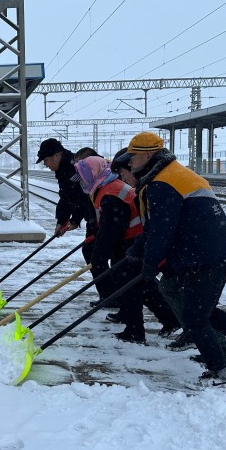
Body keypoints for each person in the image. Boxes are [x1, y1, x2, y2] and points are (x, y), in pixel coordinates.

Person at [117, 131, 226, 386]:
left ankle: (219, 372)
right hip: (208, 252)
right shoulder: (171, 174)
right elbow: (157, 227)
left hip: (205, 255)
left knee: (195, 316)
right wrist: (137, 252)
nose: (130, 162)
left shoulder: (163, 183)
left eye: (132, 157)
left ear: (147, 155)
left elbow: (162, 230)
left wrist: (148, 265)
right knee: (202, 312)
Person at [74, 156, 145, 343]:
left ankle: (136, 331)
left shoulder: (110, 192)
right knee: (132, 285)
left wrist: (99, 256)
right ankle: (136, 321)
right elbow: (107, 226)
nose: (81, 181)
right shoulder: (104, 187)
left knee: (131, 286)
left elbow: (112, 229)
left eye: (83, 176)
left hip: (133, 241)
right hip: (129, 240)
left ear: (93, 174)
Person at [110, 151, 182, 337]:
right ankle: (173, 323)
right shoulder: (142, 189)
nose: (122, 178)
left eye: (124, 173)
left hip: (179, 251)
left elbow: (158, 227)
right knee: (151, 287)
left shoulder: (152, 188)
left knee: (190, 302)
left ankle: (209, 344)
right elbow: (150, 226)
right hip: (149, 246)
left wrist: (150, 258)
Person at [36, 137, 98, 266]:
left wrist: (74, 220)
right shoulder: (63, 169)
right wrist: (61, 221)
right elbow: (66, 197)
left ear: (56, 155)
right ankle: (111, 285)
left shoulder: (75, 167)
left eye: (46, 160)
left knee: (93, 254)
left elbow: (82, 197)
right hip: (94, 216)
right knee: (92, 254)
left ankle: (111, 285)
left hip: (99, 215)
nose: (45, 164)